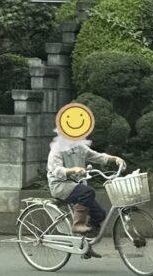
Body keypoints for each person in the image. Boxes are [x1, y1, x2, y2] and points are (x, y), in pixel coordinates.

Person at [47, 103, 126, 247]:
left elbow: (97, 156)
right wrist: (73, 170)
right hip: (60, 185)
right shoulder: (57, 149)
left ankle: (85, 245)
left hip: (76, 186)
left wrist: (114, 159)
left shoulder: (80, 147)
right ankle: (77, 224)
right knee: (88, 191)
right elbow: (56, 171)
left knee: (100, 214)